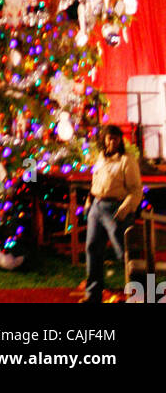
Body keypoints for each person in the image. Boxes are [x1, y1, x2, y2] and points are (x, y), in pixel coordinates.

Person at [83, 124, 143, 303]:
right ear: (104, 139)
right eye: (110, 138)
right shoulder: (100, 158)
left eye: (116, 138)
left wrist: (125, 209)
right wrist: (89, 202)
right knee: (93, 249)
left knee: (125, 252)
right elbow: (94, 180)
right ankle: (93, 295)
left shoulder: (126, 160)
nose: (113, 141)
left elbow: (136, 189)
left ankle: (139, 294)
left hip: (116, 209)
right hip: (97, 207)